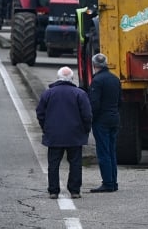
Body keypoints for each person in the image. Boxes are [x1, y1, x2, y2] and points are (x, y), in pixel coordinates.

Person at [36, 66, 92, 199]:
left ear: (58, 78)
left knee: (53, 163)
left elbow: (40, 113)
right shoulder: (80, 93)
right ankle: (74, 190)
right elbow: (87, 115)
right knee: (75, 163)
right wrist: (85, 129)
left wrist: (46, 127)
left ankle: (53, 191)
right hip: (75, 134)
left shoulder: (48, 93)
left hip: (54, 135)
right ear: (72, 78)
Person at [89, 53, 121, 193]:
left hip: (101, 120)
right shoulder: (115, 79)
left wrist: (90, 118)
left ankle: (107, 183)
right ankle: (113, 181)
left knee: (103, 152)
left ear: (94, 65)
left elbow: (94, 104)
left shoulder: (97, 81)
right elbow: (120, 100)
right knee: (112, 151)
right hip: (114, 117)